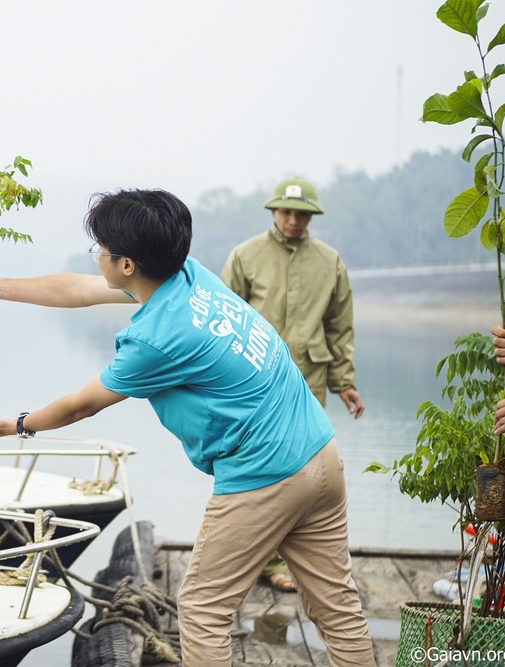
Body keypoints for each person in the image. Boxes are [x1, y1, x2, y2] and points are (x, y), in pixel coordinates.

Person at [0, 189, 375, 666]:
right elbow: (81, 290)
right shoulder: (189, 275)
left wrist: (17, 424)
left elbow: (81, 405)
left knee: (203, 608)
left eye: (101, 248)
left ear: (127, 265)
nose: (96, 255)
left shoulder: (156, 339)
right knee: (336, 605)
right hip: (320, 454)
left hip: (265, 474)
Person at [220, 176, 366, 593]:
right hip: (254, 380)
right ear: (273, 211)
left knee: (302, 468)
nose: (293, 220)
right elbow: (223, 319)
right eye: (286, 211)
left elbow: (340, 326)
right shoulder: (246, 257)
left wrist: (345, 382)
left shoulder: (329, 262)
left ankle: (283, 561)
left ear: (311, 217)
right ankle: (251, 558)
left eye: (302, 214)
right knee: (252, 465)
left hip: (310, 378)